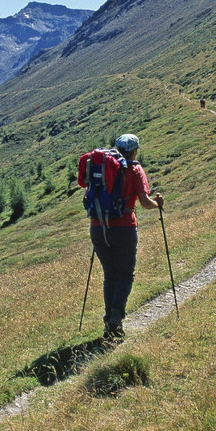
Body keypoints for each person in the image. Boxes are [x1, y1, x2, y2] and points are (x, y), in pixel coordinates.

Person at [91, 134, 163, 340]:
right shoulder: (134, 169)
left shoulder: (103, 168)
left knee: (109, 274)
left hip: (98, 227)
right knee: (125, 274)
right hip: (124, 227)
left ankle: (109, 322)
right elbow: (144, 201)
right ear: (134, 151)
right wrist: (159, 204)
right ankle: (115, 319)